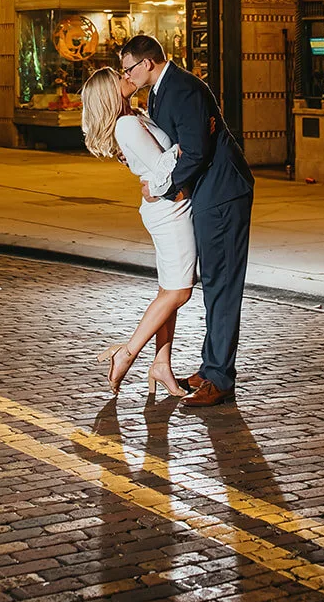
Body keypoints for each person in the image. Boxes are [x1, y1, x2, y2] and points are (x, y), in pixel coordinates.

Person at [119, 34, 254, 409]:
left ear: (147, 63)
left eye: (128, 68)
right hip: (208, 193)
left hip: (223, 192)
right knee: (213, 282)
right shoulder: (160, 92)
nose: (126, 76)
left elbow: (195, 151)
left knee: (222, 284)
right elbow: (173, 147)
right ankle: (210, 369)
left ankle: (220, 379)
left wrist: (162, 187)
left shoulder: (183, 89)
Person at [80, 67, 195, 397]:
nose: (126, 76)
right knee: (180, 292)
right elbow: (163, 167)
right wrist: (189, 143)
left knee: (168, 290)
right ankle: (127, 353)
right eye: (119, 76)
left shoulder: (134, 117)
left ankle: (161, 365)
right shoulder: (127, 125)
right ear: (110, 92)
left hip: (167, 206)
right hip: (169, 211)